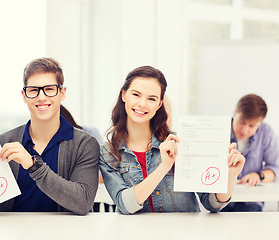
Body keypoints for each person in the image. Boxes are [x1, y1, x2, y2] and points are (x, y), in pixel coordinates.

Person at [0, 57, 100, 215]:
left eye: (50, 89)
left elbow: (83, 202)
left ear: (62, 93)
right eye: (33, 90)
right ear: (24, 95)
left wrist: (32, 164)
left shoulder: (84, 144)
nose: (42, 97)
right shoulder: (5, 142)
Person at [99, 65, 245, 214]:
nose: (142, 104)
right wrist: (164, 167)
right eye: (136, 94)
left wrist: (231, 175)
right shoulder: (108, 153)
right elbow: (125, 205)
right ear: (124, 95)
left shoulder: (180, 143)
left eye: (151, 98)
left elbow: (212, 204)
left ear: (159, 104)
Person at [221, 94, 279, 212]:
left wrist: (259, 175)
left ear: (260, 123)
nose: (244, 130)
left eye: (251, 126)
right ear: (234, 113)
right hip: (223, 199)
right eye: (242, 122)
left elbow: (274, 170)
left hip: (252, 201)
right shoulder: (220, 129)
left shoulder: (266, 133)